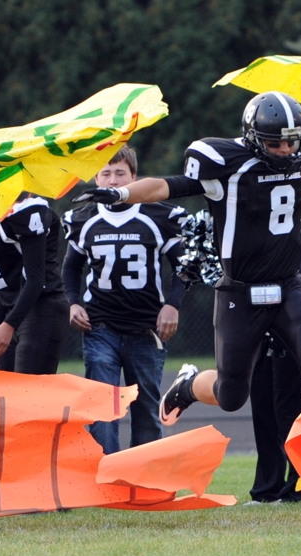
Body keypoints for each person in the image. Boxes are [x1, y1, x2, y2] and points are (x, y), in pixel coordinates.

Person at [75, 91, 301, 498]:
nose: (286, 148)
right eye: (276, 141)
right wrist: (122, 194)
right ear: (254, 136)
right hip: (239, 292)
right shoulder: (224, 161)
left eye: (292, 140)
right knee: (230, 395)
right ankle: (190, 386)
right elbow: (165, 187)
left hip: (287, 284)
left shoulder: (297, 151)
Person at [62, 147, 188, 454]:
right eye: (106, 173)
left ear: (135, 177)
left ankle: (143, 476)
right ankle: (104, 474)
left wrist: (172, 304)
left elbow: (184, 266)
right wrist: (73, 302)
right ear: (95, 177)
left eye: (121, 174)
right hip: (100, 326)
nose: (113, 181)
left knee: (145, 407)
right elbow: (71, 267)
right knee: (103, 405)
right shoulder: (83, 217)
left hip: (145, 328)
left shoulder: (158, 215)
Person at [247, 173, 301, 504]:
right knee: (264, 405)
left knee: (289, 408)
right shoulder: (298, 231)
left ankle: (298, 481)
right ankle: (267, 486)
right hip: (268, 327)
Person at [0, 194, 69, 374]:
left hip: (42, 308)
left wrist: (7, 325)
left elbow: (35, 279)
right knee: (6, 391)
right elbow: (3, 288)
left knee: (29, 392)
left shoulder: (25, 211)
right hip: (14, 311)